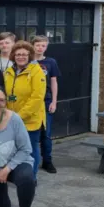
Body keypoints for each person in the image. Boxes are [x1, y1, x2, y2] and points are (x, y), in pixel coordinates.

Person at [4, 41, 46, 183]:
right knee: (15, 150)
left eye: (24, 54)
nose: (21, 57)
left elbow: (37, 98)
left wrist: (19, 116)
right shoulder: (9, 71)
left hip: (30, 120)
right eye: (18, 54)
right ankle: (18, 176)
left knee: (30, 150)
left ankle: (31, 178)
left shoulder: (36, 71)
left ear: (30, 55)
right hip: (11, 119)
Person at [32, 35, 61, 174]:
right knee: (33, 133)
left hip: (46, 101)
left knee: (46, 133)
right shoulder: (28, 62)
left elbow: (54, 82)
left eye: (43, 45)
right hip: (32, 102)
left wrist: (54, 101)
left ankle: (47, 161)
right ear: (33, 45)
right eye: (37, 45)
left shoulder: (51, 62)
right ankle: (32, 161)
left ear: (46, 47)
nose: (40, 48)